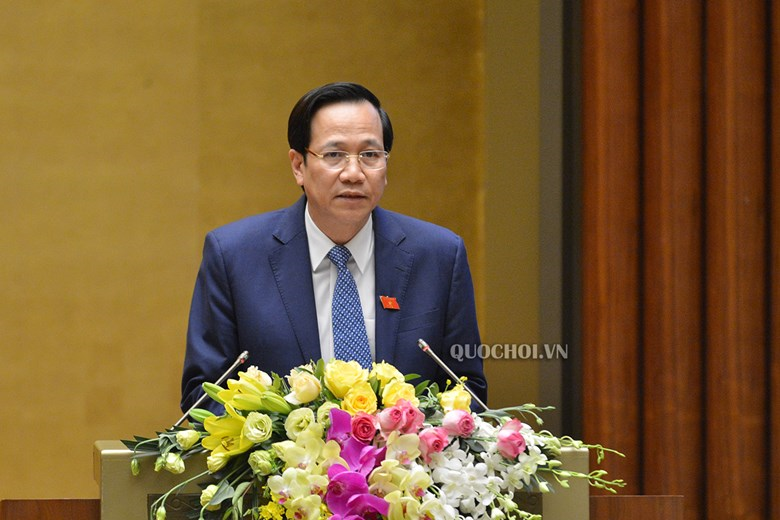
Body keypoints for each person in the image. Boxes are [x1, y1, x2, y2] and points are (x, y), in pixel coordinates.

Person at [181, 82, 487, 414]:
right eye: (334, 155)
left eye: (370, 155)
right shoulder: (234, 257)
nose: (354, 173)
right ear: (298, 166)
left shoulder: (439, 256)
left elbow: (466, 390)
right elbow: (203, 396)